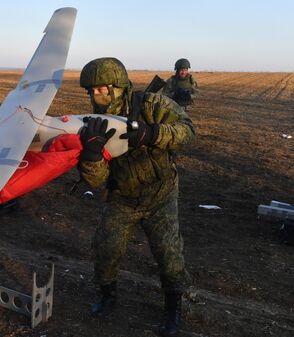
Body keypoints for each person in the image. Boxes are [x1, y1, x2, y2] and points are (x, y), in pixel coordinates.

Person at [77, 57, 195, 336]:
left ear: (118, 87)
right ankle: (107, 295)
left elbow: (188, 133)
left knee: (169, 255)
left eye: (103, 89)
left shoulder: (152, 104)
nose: (97, 95)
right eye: (92, 91)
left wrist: (152, 133)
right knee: (106, 248)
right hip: (122, 199)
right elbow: (97, 180)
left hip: (160, 194)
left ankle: (172, 307)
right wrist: (92, 156)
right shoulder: (93, 125)